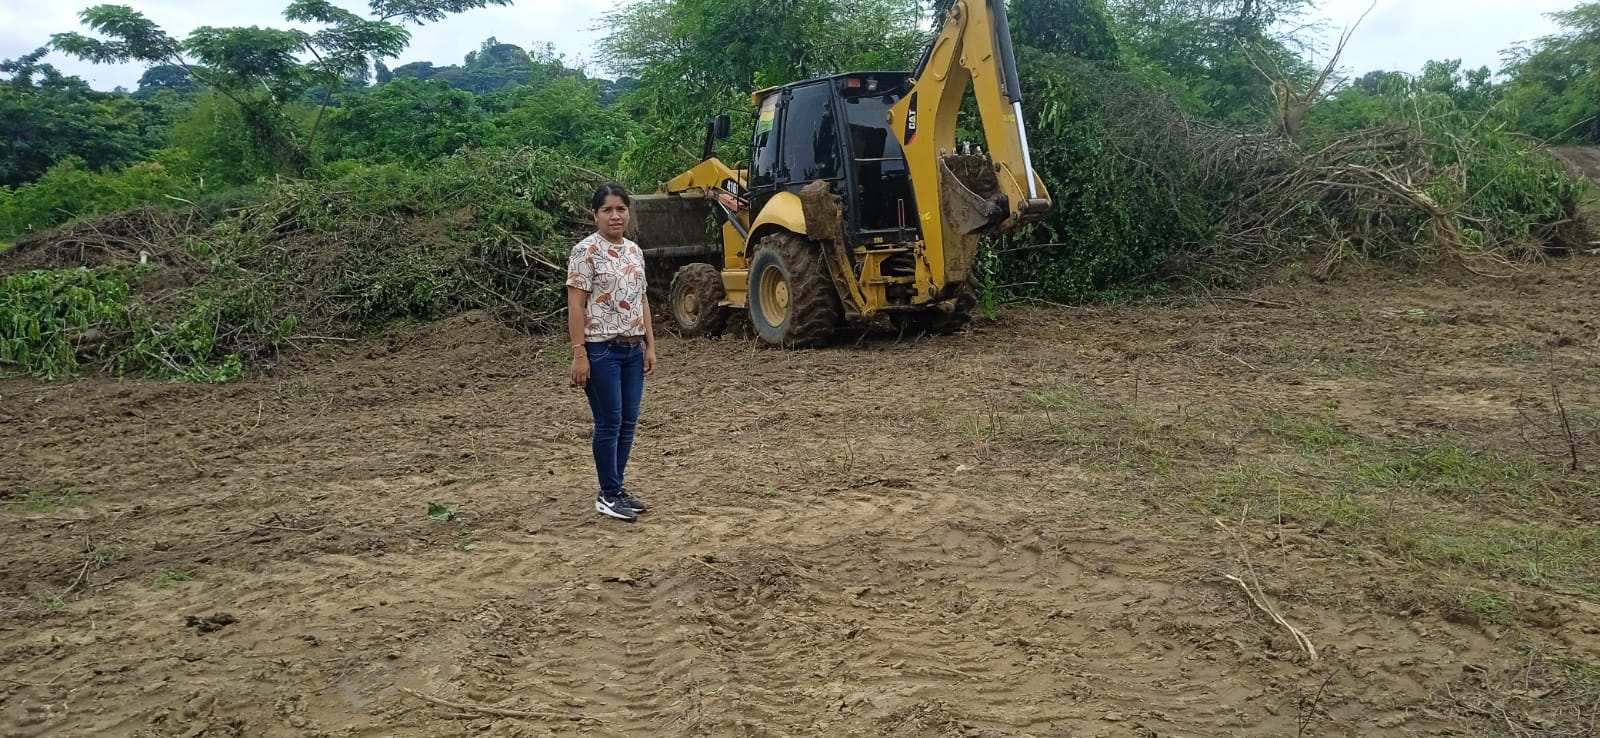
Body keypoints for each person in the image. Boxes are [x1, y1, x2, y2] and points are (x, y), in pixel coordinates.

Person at [567, 182, 658, 522]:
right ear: (596, 214)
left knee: (628, 422)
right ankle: (607, 494)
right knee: (609, 422)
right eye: (607, 209)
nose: (615, 215)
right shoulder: (585, 252)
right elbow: (576, 306)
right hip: (601, 350)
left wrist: (650, 345)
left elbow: (642, 299)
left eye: (621, 209)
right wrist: (579, 353)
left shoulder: (634, 251)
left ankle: (617, 489)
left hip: (632, 350)